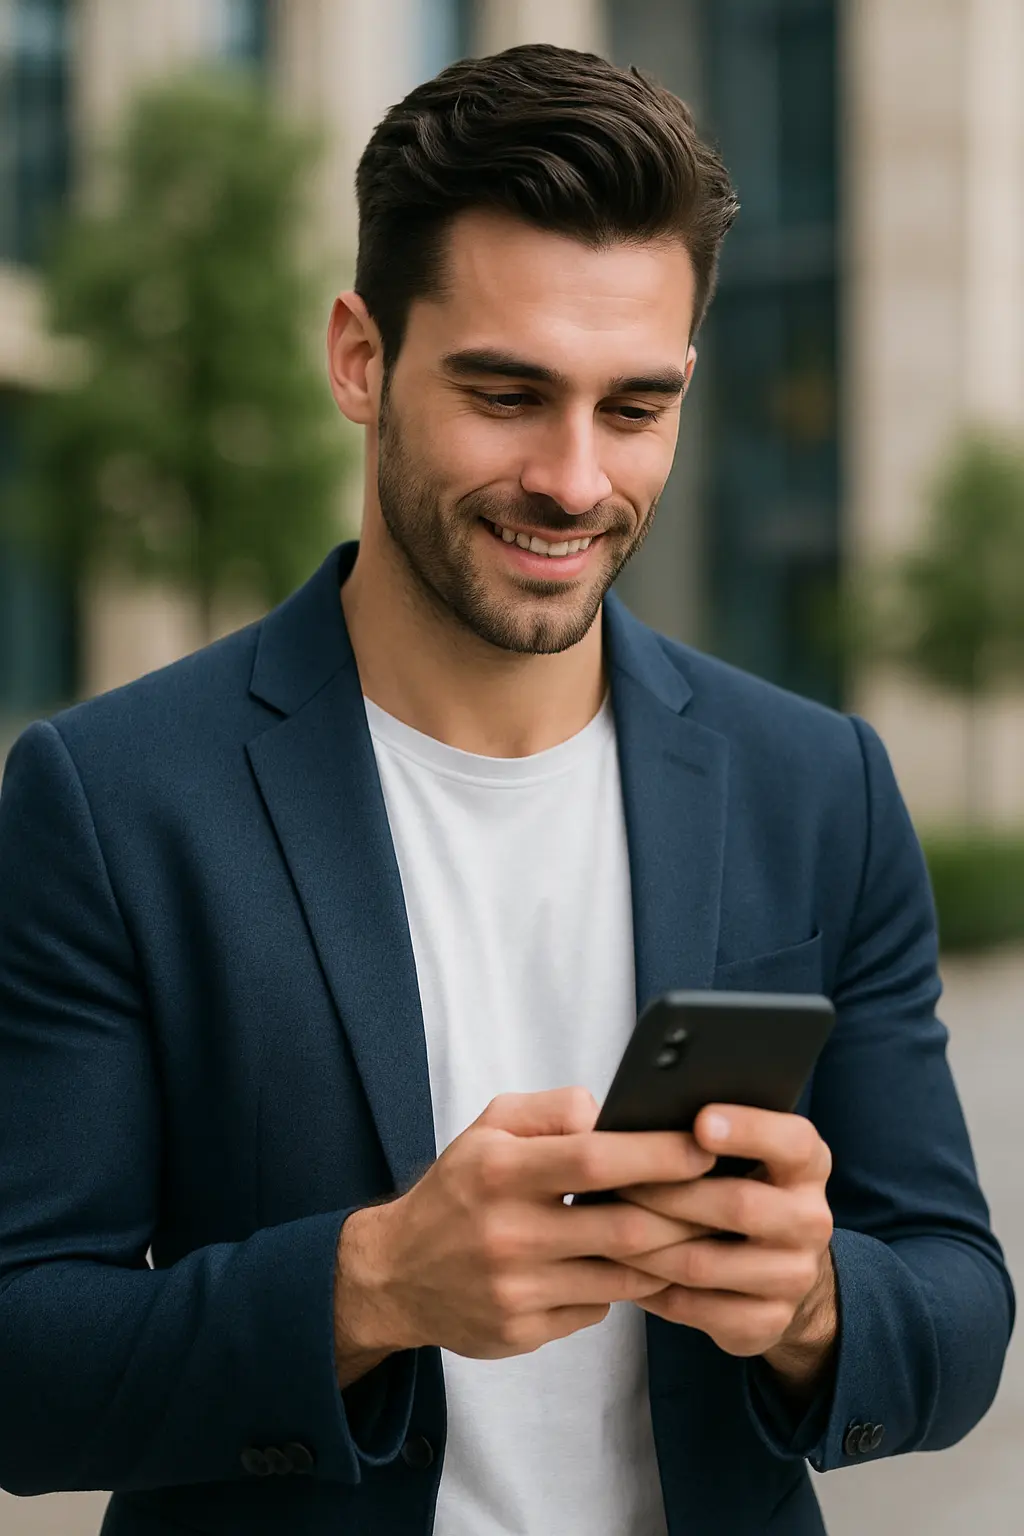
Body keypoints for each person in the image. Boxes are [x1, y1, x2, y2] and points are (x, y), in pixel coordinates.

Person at [0, 42, 1012, 1536]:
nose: (574, 478)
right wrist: (370, 1288)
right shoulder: (109, 797)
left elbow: (960, 1306)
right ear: (361, 358)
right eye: (506, 391)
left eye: (633, 407)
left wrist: (809, 1301)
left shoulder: (820, 785)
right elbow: (23, 1363)